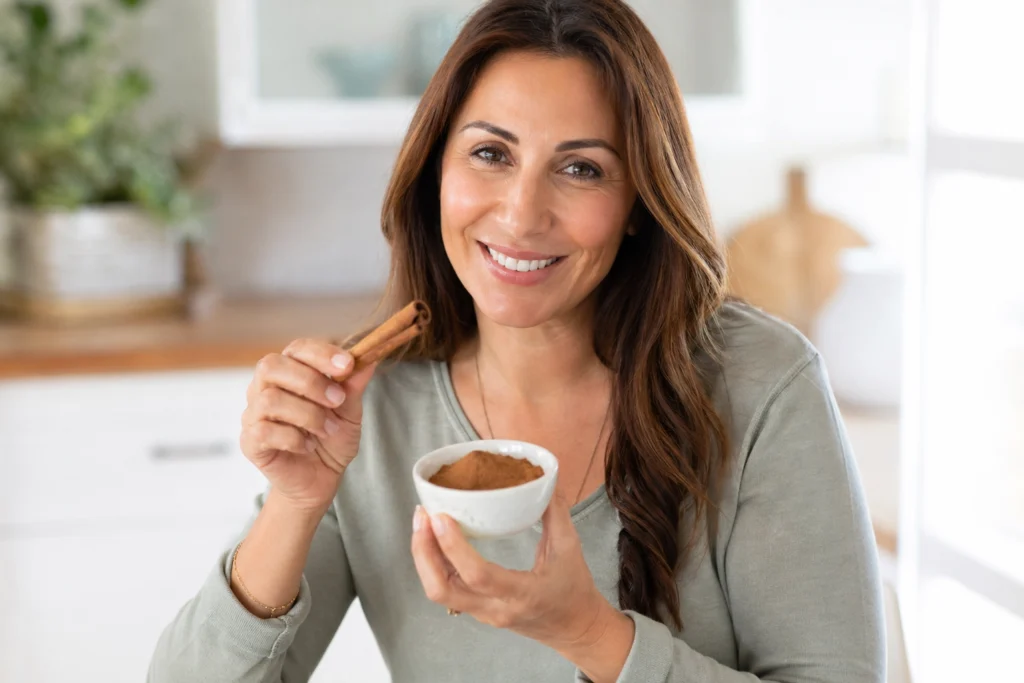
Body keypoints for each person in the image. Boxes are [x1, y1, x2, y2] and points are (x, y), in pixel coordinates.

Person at [148, 0, 884, 681]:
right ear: (437, 165)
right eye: (491, 154)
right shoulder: (370, 404)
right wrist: (294, 500)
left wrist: (589, 633)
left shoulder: (761, 383)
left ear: (638, 203)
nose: (522, 213)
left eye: (581, 168)